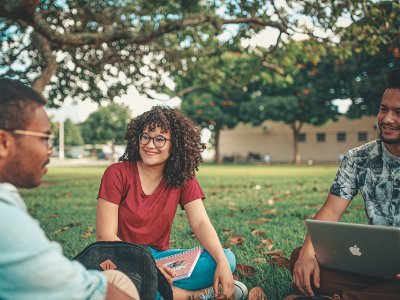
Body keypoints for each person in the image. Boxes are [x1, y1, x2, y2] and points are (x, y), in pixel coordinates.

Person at [0, 78, 139, 300]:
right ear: (4, 143)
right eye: (44, 138)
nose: (49, 150)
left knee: (116, 278)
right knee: (119, 284)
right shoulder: (6, 220)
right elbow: (93, 292)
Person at [96, 106, 248, 300]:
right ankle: (194, 296)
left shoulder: (182, 178)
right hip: (121, 259)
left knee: (226, 258)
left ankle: (157, 290)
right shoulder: (116, 173)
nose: (150, 144)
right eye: (146, 136)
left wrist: (222, 263)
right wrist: (150, 270)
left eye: (160, 139)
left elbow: (200, 222)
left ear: (175, 144)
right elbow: (105, 236)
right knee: (123, 285)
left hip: (160, 260)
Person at [288, 68, 400, 300]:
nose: (387, 119)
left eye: (398, 112)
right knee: (301, 259)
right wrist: (309, 253)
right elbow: (330, 211)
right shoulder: (359, 158)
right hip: (376, 267)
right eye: (383, 109)